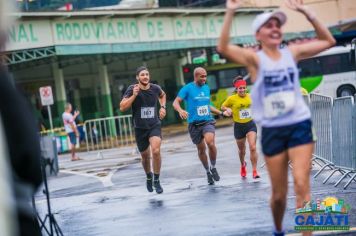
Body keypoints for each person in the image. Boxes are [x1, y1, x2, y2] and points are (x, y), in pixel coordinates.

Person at [218, 0, 335, 235]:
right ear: (258, 34)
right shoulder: (254, 59)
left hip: (299, 125)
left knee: (302, 185)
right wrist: (230, 11)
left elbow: (328, 41)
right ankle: (278, 228)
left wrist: (308, 13)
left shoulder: (291, 53)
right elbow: (223, 48)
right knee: (279, 196)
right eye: (268, 25)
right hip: (273, 129)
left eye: (277, 25)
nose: (274, 28)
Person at [173, 67, 229, 185]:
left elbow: (208, 106)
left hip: (207, 121)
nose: (204, 78)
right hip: (194, 124)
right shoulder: (188, 88)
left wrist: (221, 113)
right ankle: (208, 171)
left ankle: (213, 167)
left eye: (205, 76)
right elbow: (175, 102)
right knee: (201, 149)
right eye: (202, 76)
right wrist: (180, 110)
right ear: (195, 76)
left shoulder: (206, 88)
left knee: (210, 143)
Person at [120, 66, 166, 194]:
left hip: (154, 124)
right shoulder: (132, 89)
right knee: (145, 157)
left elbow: (163, 95)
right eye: (142, 75)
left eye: (147, 74)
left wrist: (163, 107)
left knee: (156, 151)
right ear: (137, 77)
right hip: (140, 128)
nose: (145, 77)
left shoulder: (155, 88)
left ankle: (156, 179)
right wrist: (134, 95)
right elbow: (122, 107)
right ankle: (148, 176)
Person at [221, 76, 260, 179]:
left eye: (243, 88)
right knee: (242, 150)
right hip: (239, 126)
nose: (242, 90)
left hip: (250, 124)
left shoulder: (250, 96)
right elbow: (223, 106)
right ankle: (243, 165)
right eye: (240, 88)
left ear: (246, 88)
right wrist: (227, 109)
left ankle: (255, 171)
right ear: (236, 89)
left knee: (253, 147)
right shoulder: (231, 98)